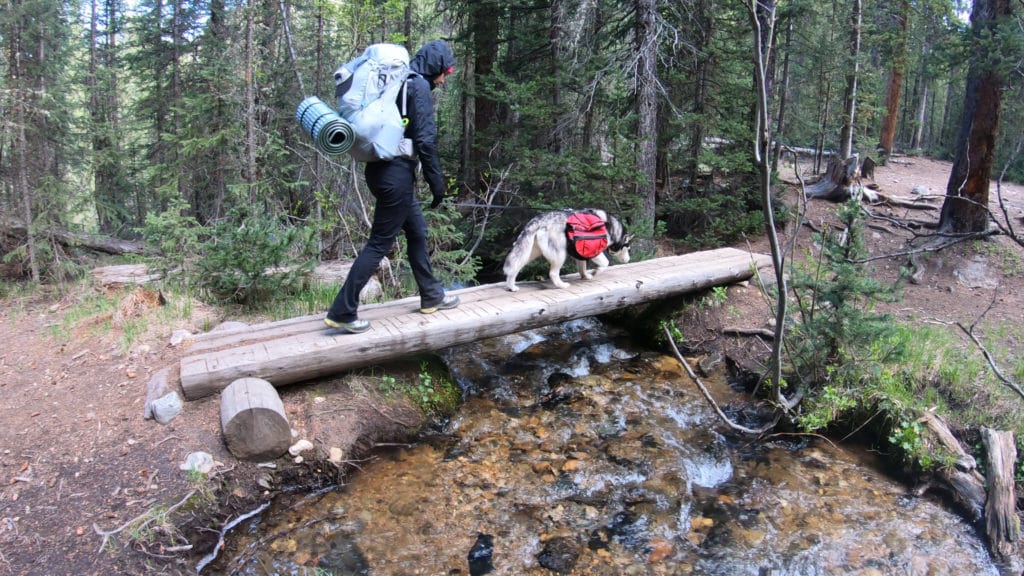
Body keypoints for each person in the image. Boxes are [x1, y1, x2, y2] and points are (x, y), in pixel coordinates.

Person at [325, 39, 460, 334]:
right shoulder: (417, 86)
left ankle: (431, 294)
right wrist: (437, 183)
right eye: (446, 71)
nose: (445, 77)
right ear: (435, 65)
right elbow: (425, 139)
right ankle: (342, 311)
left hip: (382, 171)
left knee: (417, 232)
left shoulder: (399, 83)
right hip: (395, 175)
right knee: (379, 244)